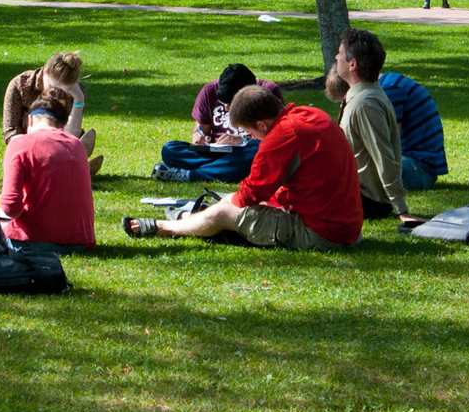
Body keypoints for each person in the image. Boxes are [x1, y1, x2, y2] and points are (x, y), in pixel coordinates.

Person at [122, 86, 360, 250]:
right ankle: (193, 219)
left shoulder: (282, 135)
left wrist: (229, 202)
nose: (253, 139)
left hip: (323, 234)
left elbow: (250, 195)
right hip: (346, 226)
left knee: (222, 211)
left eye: (251, 133)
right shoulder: (311, 115)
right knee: (229, 202)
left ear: (261, 125)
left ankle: (165, 227)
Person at [332, 29, 425, 227]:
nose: (336, 57)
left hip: (367, 200)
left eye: (340, 53)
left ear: (352, 64)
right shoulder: (363, 95)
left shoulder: (365, 104)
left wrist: (401, 209)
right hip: (356, 192)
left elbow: (384, 155)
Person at [0, 86, 94, 254]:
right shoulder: (77, 145)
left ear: (29, 121)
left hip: (34, 240)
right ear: (61, 124)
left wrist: (22, 216)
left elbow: (10, 205)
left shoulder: (20, 144)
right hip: (80, 241)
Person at [0, 50, 99, 169]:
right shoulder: (20, 85)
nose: (57, 95)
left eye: (65, 91)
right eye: (53, 87)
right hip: (26, 145)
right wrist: (35, 146)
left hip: (60, 146)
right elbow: (10, 131)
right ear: (45, 72)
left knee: (73, 144)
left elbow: (69, 136)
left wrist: (79, 100)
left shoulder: (76, 91)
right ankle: (78, 165)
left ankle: (75, 164)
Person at [377, 69, 447, 192]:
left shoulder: (391, 88)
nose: (336, 58)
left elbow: (391, 142)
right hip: (415, 163)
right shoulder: (389, 83)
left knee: (365, 173)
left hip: (419, 168)